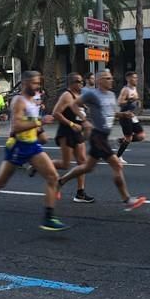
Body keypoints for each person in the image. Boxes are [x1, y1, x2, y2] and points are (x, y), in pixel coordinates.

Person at [0, 71, 68, 231]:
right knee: (0, 182)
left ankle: (48, 217)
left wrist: (40, 131)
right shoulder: (18, 101)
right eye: (34, 83)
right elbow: (17, 127)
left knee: (53, 176)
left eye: (38, 83)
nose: (37, 86)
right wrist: (40, 121)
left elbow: (31, 122)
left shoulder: (33, 99)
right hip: (18, 145)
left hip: (32, 145)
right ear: (25, 83)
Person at [57, 70, 147, 211]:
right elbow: (75, 104)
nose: (111, 80)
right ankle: (127, 200)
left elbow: (112, 112)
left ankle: (60, 182)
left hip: (104, 136)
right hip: (97, 135)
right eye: (107, 78)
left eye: (111, 78)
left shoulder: (111, 95)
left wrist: (123, 114)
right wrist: (85, 120)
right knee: (117, 165)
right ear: (99, 81)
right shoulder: (92, 94)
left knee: (87, 167)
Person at [49, 72, 94, 203]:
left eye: (81, 81)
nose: (81, 84)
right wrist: (71, 124)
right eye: (78, 81)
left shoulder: (79, 95)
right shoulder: (66, 95)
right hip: (66, 132)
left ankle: (80, 193)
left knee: (82, 162)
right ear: (71, 83)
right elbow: (55, 113)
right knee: (65, 164)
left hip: (77, 132)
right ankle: (38, 165)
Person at [116, 71, 146, 162]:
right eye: (134, 78)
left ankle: (121, 141)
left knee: (141, 136)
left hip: (132, 116)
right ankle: (118, 157)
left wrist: (138, 102)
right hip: (125, 116)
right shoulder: (125, 89)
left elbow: (135, 100)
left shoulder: (134, 88)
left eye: (136, 77)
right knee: (129, 138)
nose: (136, 79)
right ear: (128, 79)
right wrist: (129, 100)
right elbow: (119, 102)